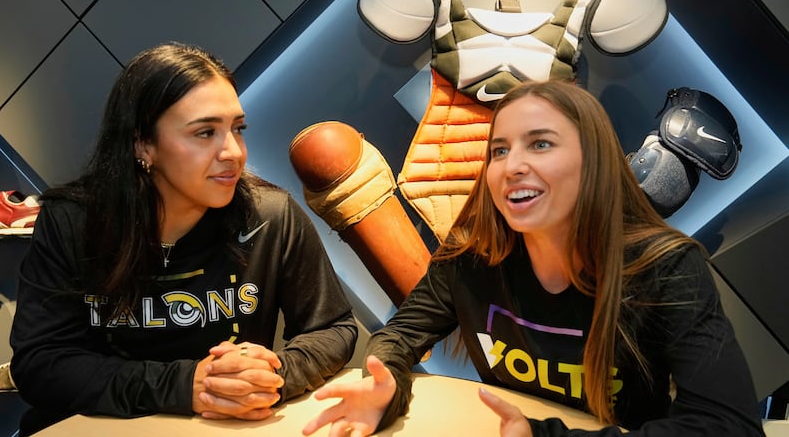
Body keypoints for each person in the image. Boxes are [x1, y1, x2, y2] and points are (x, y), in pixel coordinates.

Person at [301, 80, 765, 436]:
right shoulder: (471, 253)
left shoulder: (666, 267)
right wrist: (387, 384)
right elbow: (400, 337)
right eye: (500, 150)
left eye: (540, 143)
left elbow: (729, 425)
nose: (512, 164)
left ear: (594, 161)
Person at [9, 42, 357, 434]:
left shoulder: (271, 216)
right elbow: (40, 363)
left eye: (237, 129)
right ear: (144, 145)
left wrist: (272, 375)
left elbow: (333, 327)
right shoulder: (72, 222)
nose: (233, 152)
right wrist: (185, 385)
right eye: (205, 132)